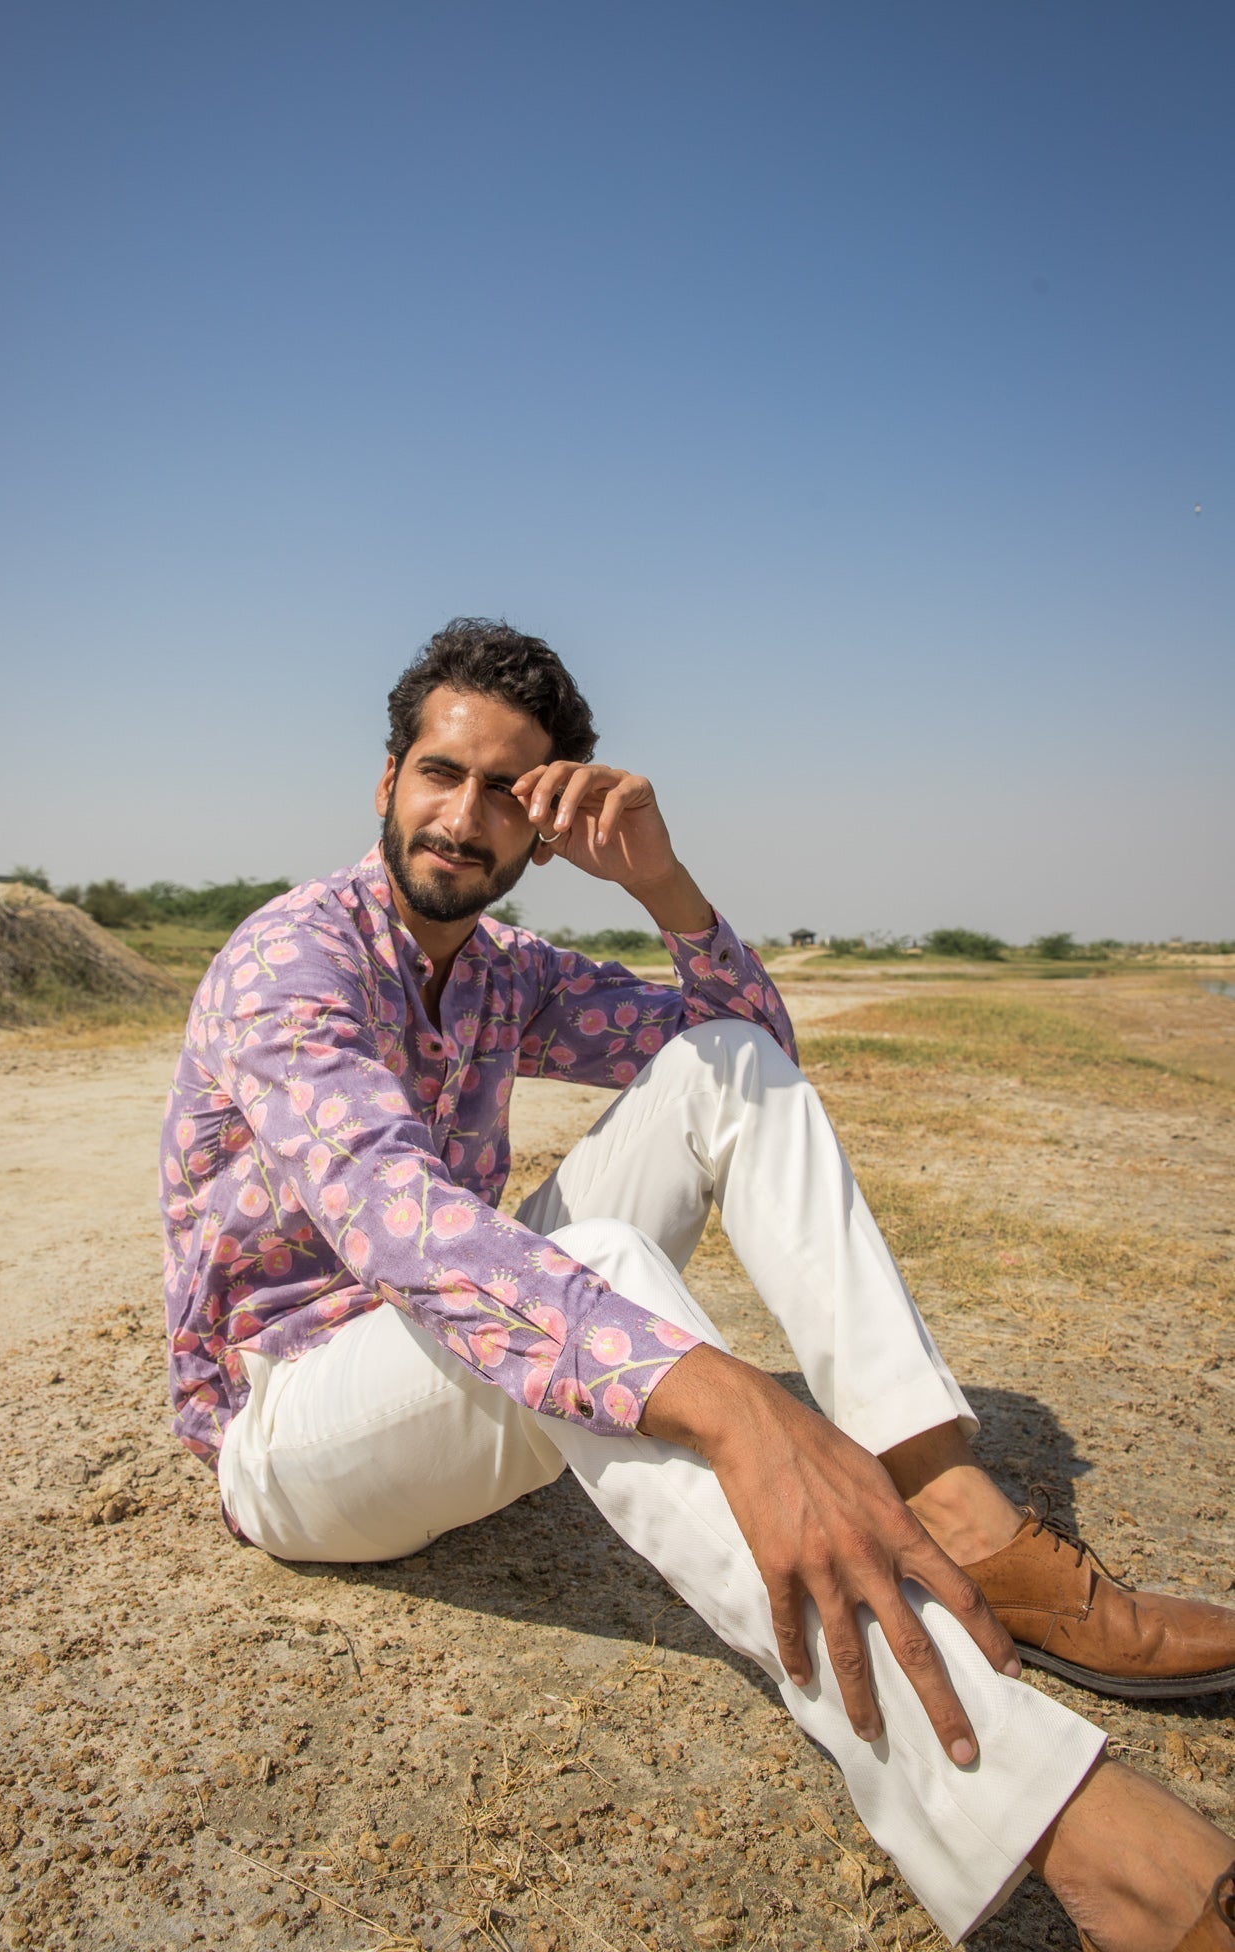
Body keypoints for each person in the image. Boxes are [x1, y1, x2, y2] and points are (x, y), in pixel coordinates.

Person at [160, 618, 1235, 1951]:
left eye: (503, 793)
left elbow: (755, 1051)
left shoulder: (502, 973)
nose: (463, 818)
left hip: (466, 1378)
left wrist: (664, 886)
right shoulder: (292, 960)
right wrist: (728, 1401)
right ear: (388, 781)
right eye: (440, 774)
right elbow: (408, 1233)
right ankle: (1061, 1824)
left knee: (720, 1066)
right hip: (296, 1429)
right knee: (600, 1270)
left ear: (541, 829)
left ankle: (961, 1515)